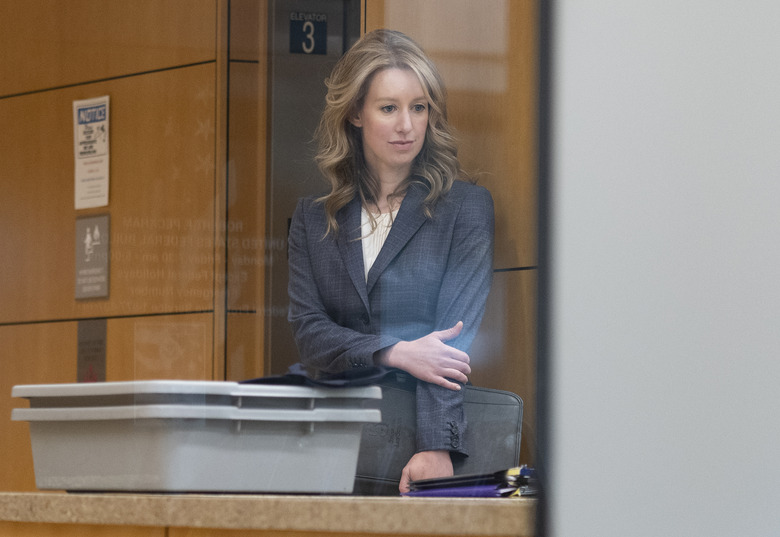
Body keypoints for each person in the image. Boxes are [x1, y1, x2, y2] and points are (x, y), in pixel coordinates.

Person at [287, 29, 494, 493]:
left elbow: (450, 348)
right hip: (328, 447)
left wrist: (436, 448)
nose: (406, 125)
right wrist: (397, 351)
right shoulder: (312, 219)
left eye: (418, 107)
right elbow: (309, 333)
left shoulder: (466, 209)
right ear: (356, 114)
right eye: (389, 108)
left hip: (419, 446)